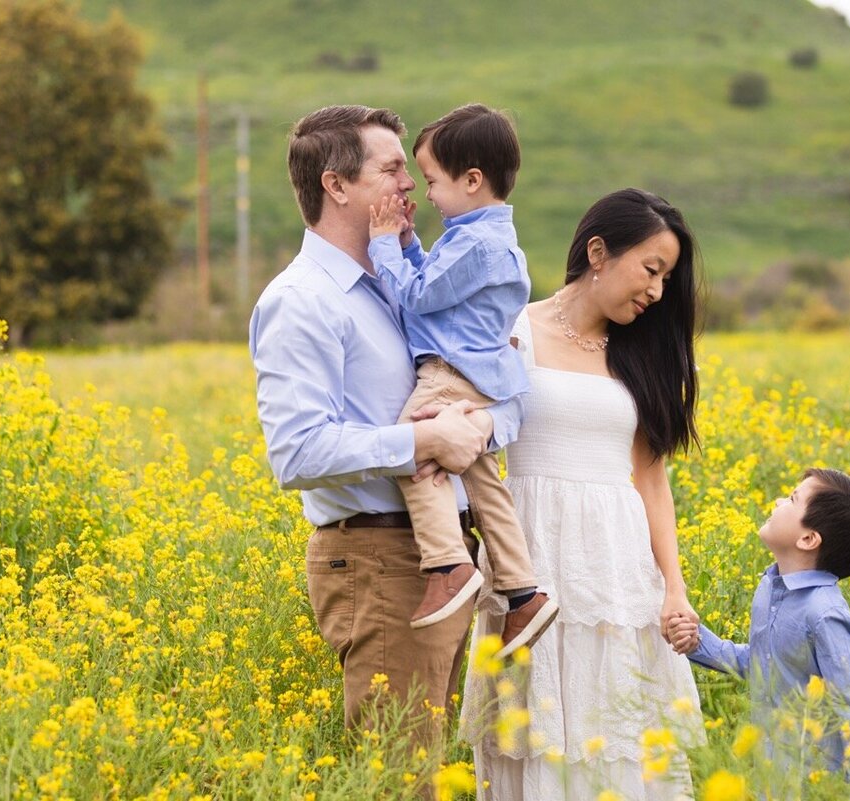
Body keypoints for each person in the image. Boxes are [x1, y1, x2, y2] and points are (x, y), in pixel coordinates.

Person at [248, 104, 522, 747]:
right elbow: (297, 453)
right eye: (392, 169)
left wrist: (485, 424)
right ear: (336, 186)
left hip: (447, 557)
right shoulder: (301, 302)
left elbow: (491, 380)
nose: (412, 185)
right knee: (401, 775)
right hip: (380, 559)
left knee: (431, 767)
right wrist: (426, 440)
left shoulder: (406, 283)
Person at [460, 188, 705, 800]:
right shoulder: (514, 330)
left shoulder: (643, 353)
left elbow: (651, 480)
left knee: (619, 728)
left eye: (666, 280)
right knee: (533, 728)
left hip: (617, 569)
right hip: (530, 553)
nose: (656, 292)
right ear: (598, 251)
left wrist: (674, 590)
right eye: (651, 270)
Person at [367, 104, 557, 657]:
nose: (425, 194)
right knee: (484, 484)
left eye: (432, 181)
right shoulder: (478, 237)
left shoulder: (477, 244)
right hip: (482, 381)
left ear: (472, 180)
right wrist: (406, 245)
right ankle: (523, 594)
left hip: (451, 377)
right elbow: (433, 285)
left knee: (414, 448)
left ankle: (447, 565)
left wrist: (381, 242)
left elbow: (419, 298)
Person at [667, 468, 850, 778]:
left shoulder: (824, 614)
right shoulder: (770, 589)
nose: (777, 501)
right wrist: (697, 640)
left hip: (816, 780)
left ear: (809, 539)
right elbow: (762, 663)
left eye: (791, 499)